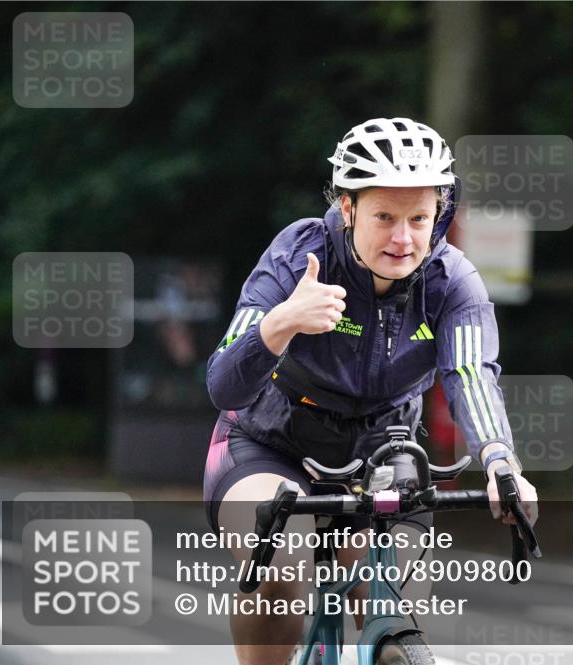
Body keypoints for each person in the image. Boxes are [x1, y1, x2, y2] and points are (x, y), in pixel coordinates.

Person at [202, 117, 539, 665]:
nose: (403, 238)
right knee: (283, 574)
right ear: (349, 208)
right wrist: (281, 322)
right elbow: (223, 383)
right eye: (384, 216)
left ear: (440, 216)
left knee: (399, 610)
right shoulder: (299, 257)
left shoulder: (453, 282)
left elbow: (471, 374)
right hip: (267, 446)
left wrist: (501, 461)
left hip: (383, 457)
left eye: (419, 218)